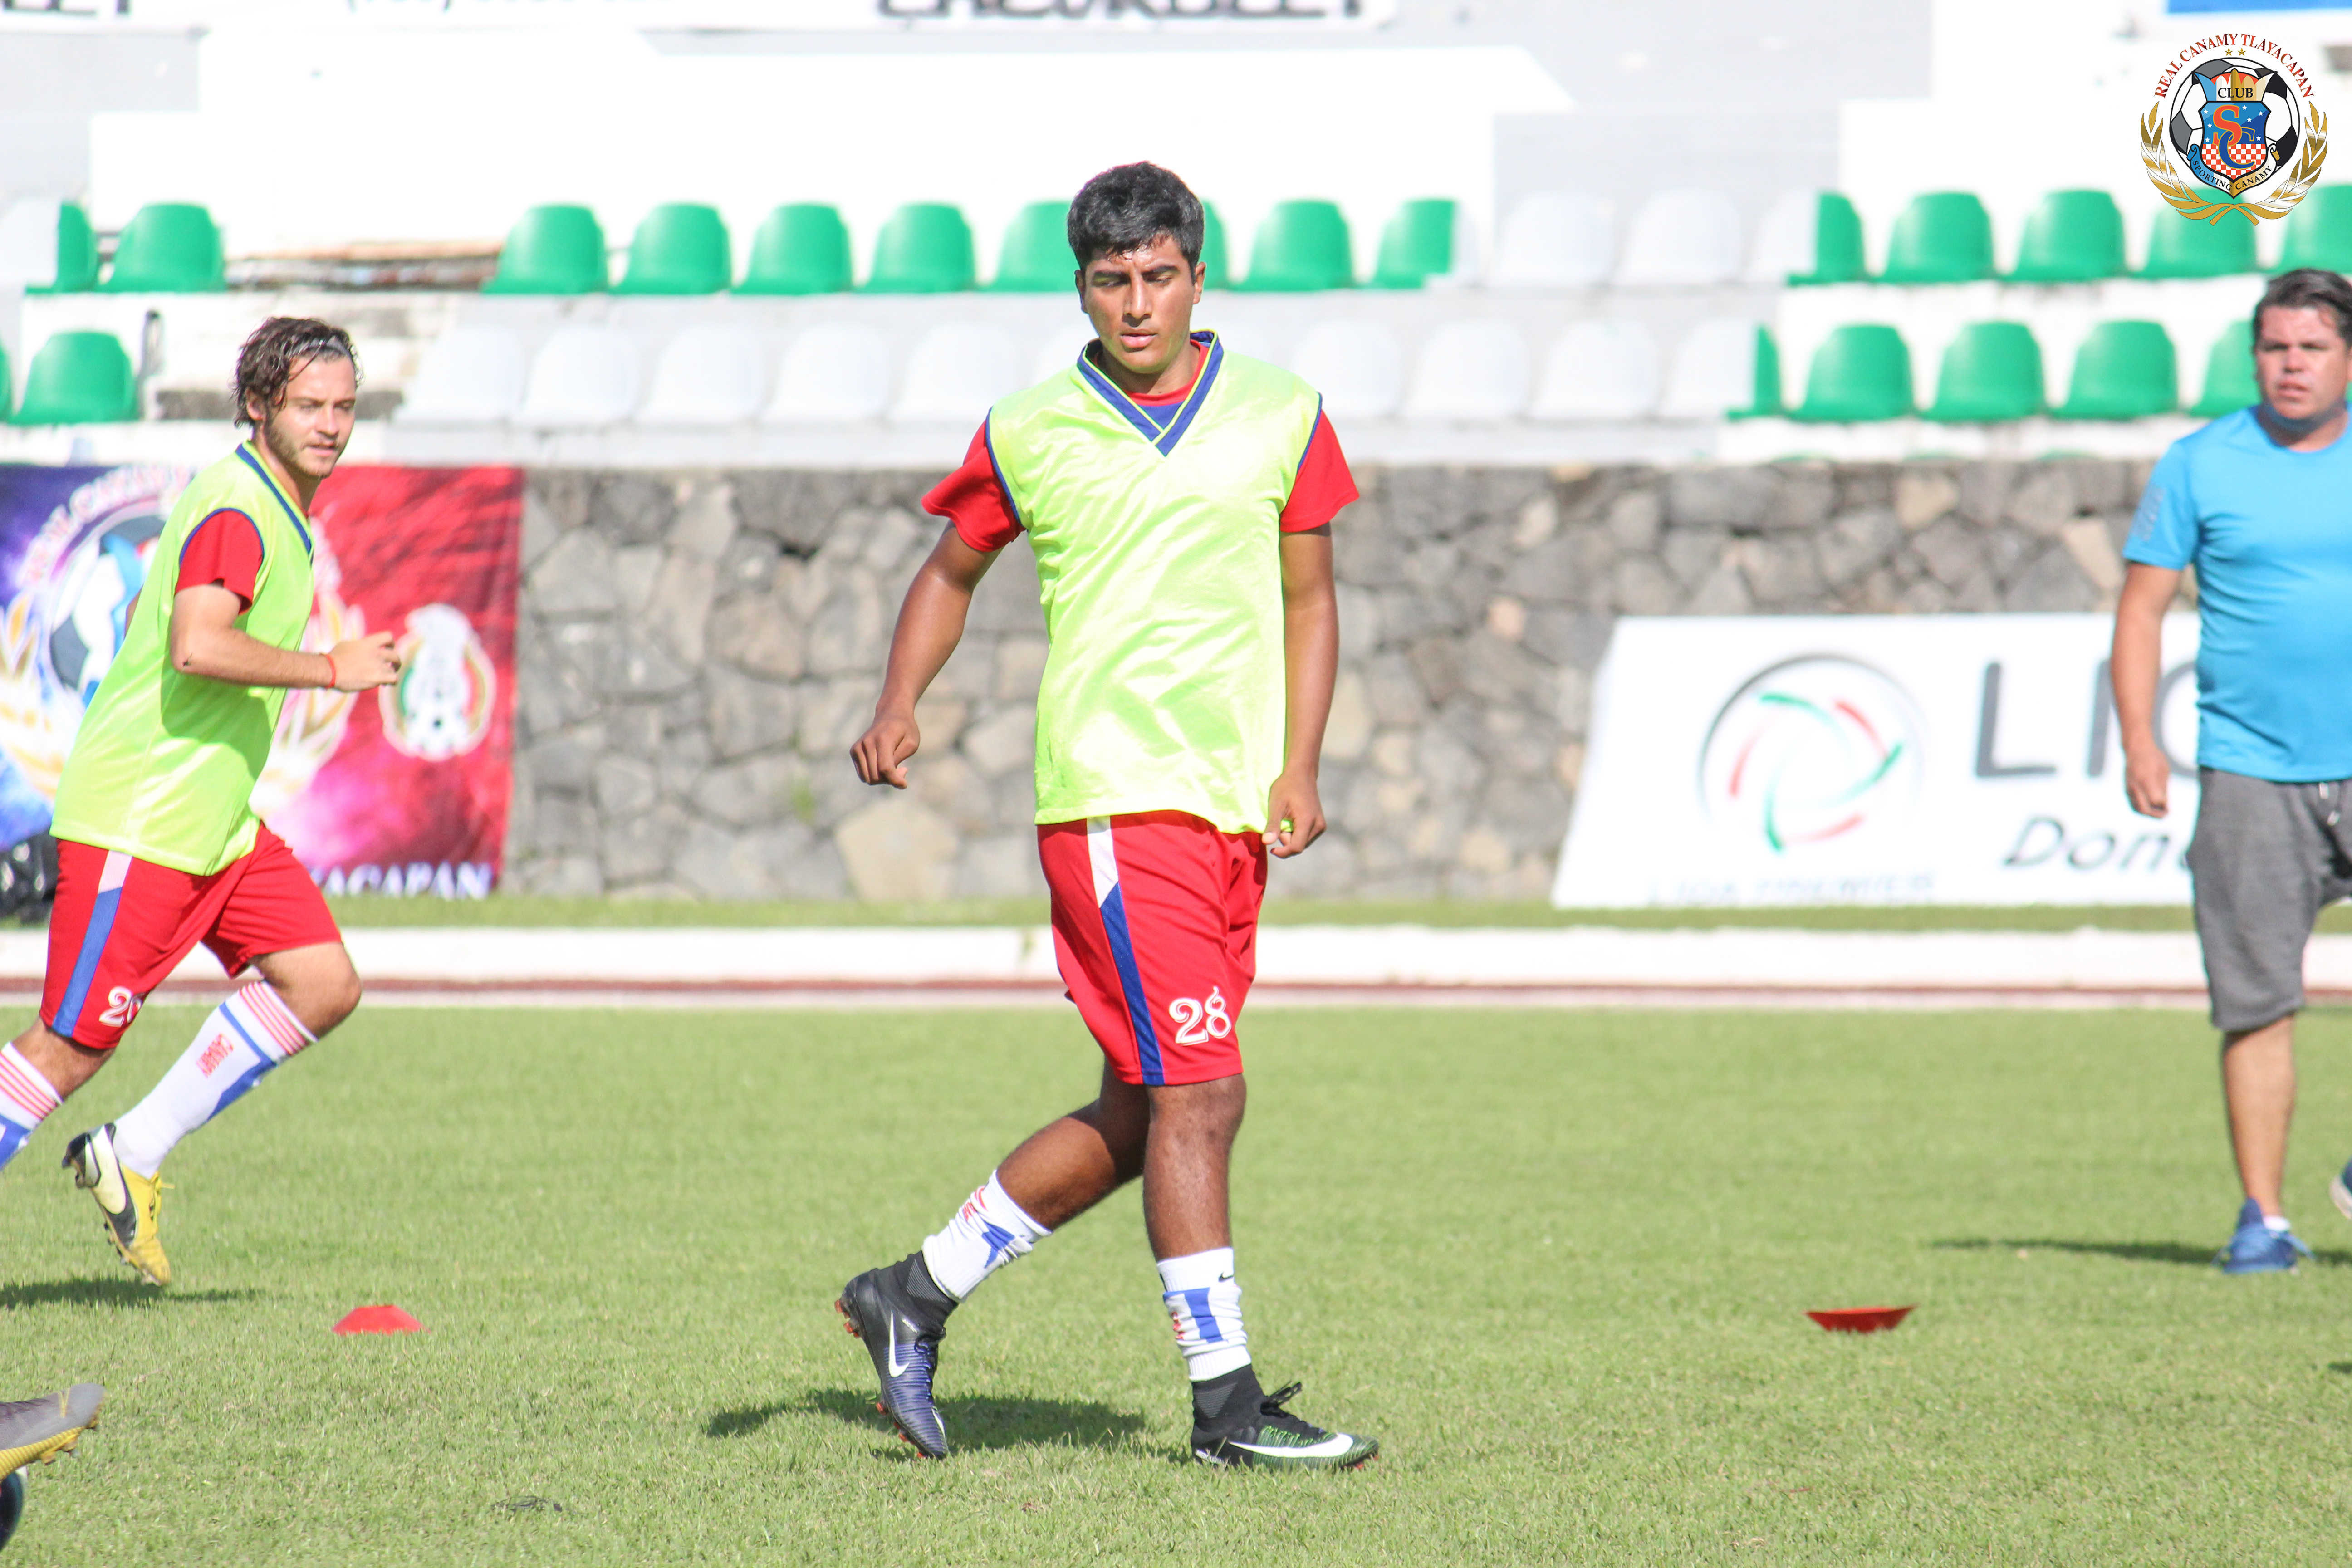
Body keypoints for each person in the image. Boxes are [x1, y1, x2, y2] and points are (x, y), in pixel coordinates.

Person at [839, 162, 1374, 1468]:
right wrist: (900, 699)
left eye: (1158, 276)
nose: (1137, 304)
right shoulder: (1029, 429)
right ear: (1080, 288)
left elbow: (1311, 599)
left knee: (1146, 1112)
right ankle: (1227, 1411)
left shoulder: (1284, 412)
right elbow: (949, 571)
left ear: (1198, 274)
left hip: (1228, 810)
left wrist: (1299, 765)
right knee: (1206, 1091)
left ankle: (912, 1294)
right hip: (1113, 800)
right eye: (1110, 280)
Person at [0, 318, 402, 1285]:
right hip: (144, 822)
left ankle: (132, 1152)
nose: (331, 425)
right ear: (258, 406)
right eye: (309, 406)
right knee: (69, 1048)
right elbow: (197, 643)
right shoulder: (239, 507)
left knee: (322, 984)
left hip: (214, 826)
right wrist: (331, 669)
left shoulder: (277, 505)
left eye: (344, 407)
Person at [2114, 266, 2352, 1273]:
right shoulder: (2200, 464)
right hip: (2251, 770)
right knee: (2257, 1001)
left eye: (2313, 348)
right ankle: (2265, 1222)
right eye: (2275, 348)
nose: (2292, 366)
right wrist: (2140, 739)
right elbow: (2141, 609)